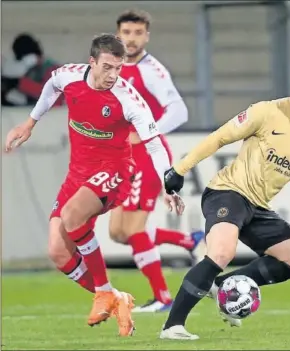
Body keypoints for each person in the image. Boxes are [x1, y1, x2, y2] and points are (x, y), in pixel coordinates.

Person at [4, 33, 182, 337]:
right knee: (58, 252)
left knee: (73, 215)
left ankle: (102, 291)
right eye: (108, 67)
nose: (114, 75)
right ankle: (115, 297)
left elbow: (154, 146)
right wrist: (30, 123)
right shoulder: (68, 76)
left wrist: (170, 184)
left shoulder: (128, 99)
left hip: (115, 171)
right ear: (92, 62)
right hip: (77, 174)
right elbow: (50, 88)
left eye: (119, 68)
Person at [160, 62, 290, 340]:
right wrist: (180, 170)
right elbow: (219, 138)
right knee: (220, 253)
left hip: (258, 207)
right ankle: (173, 326)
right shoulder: (265, 112)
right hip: (228, 192)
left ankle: (219, 285)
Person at [107, 9, 205, 313]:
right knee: (117, 232)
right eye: (126, 33)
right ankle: (188, 240)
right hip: (125, 158)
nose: (131, 39)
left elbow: (179, 111)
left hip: (147, 158)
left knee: (134, 230)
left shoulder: (153, 71)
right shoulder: (112, 66)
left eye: (137, 33)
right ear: (118, 34)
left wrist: (148, 131)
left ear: (146, 35)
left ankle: (163, 297)